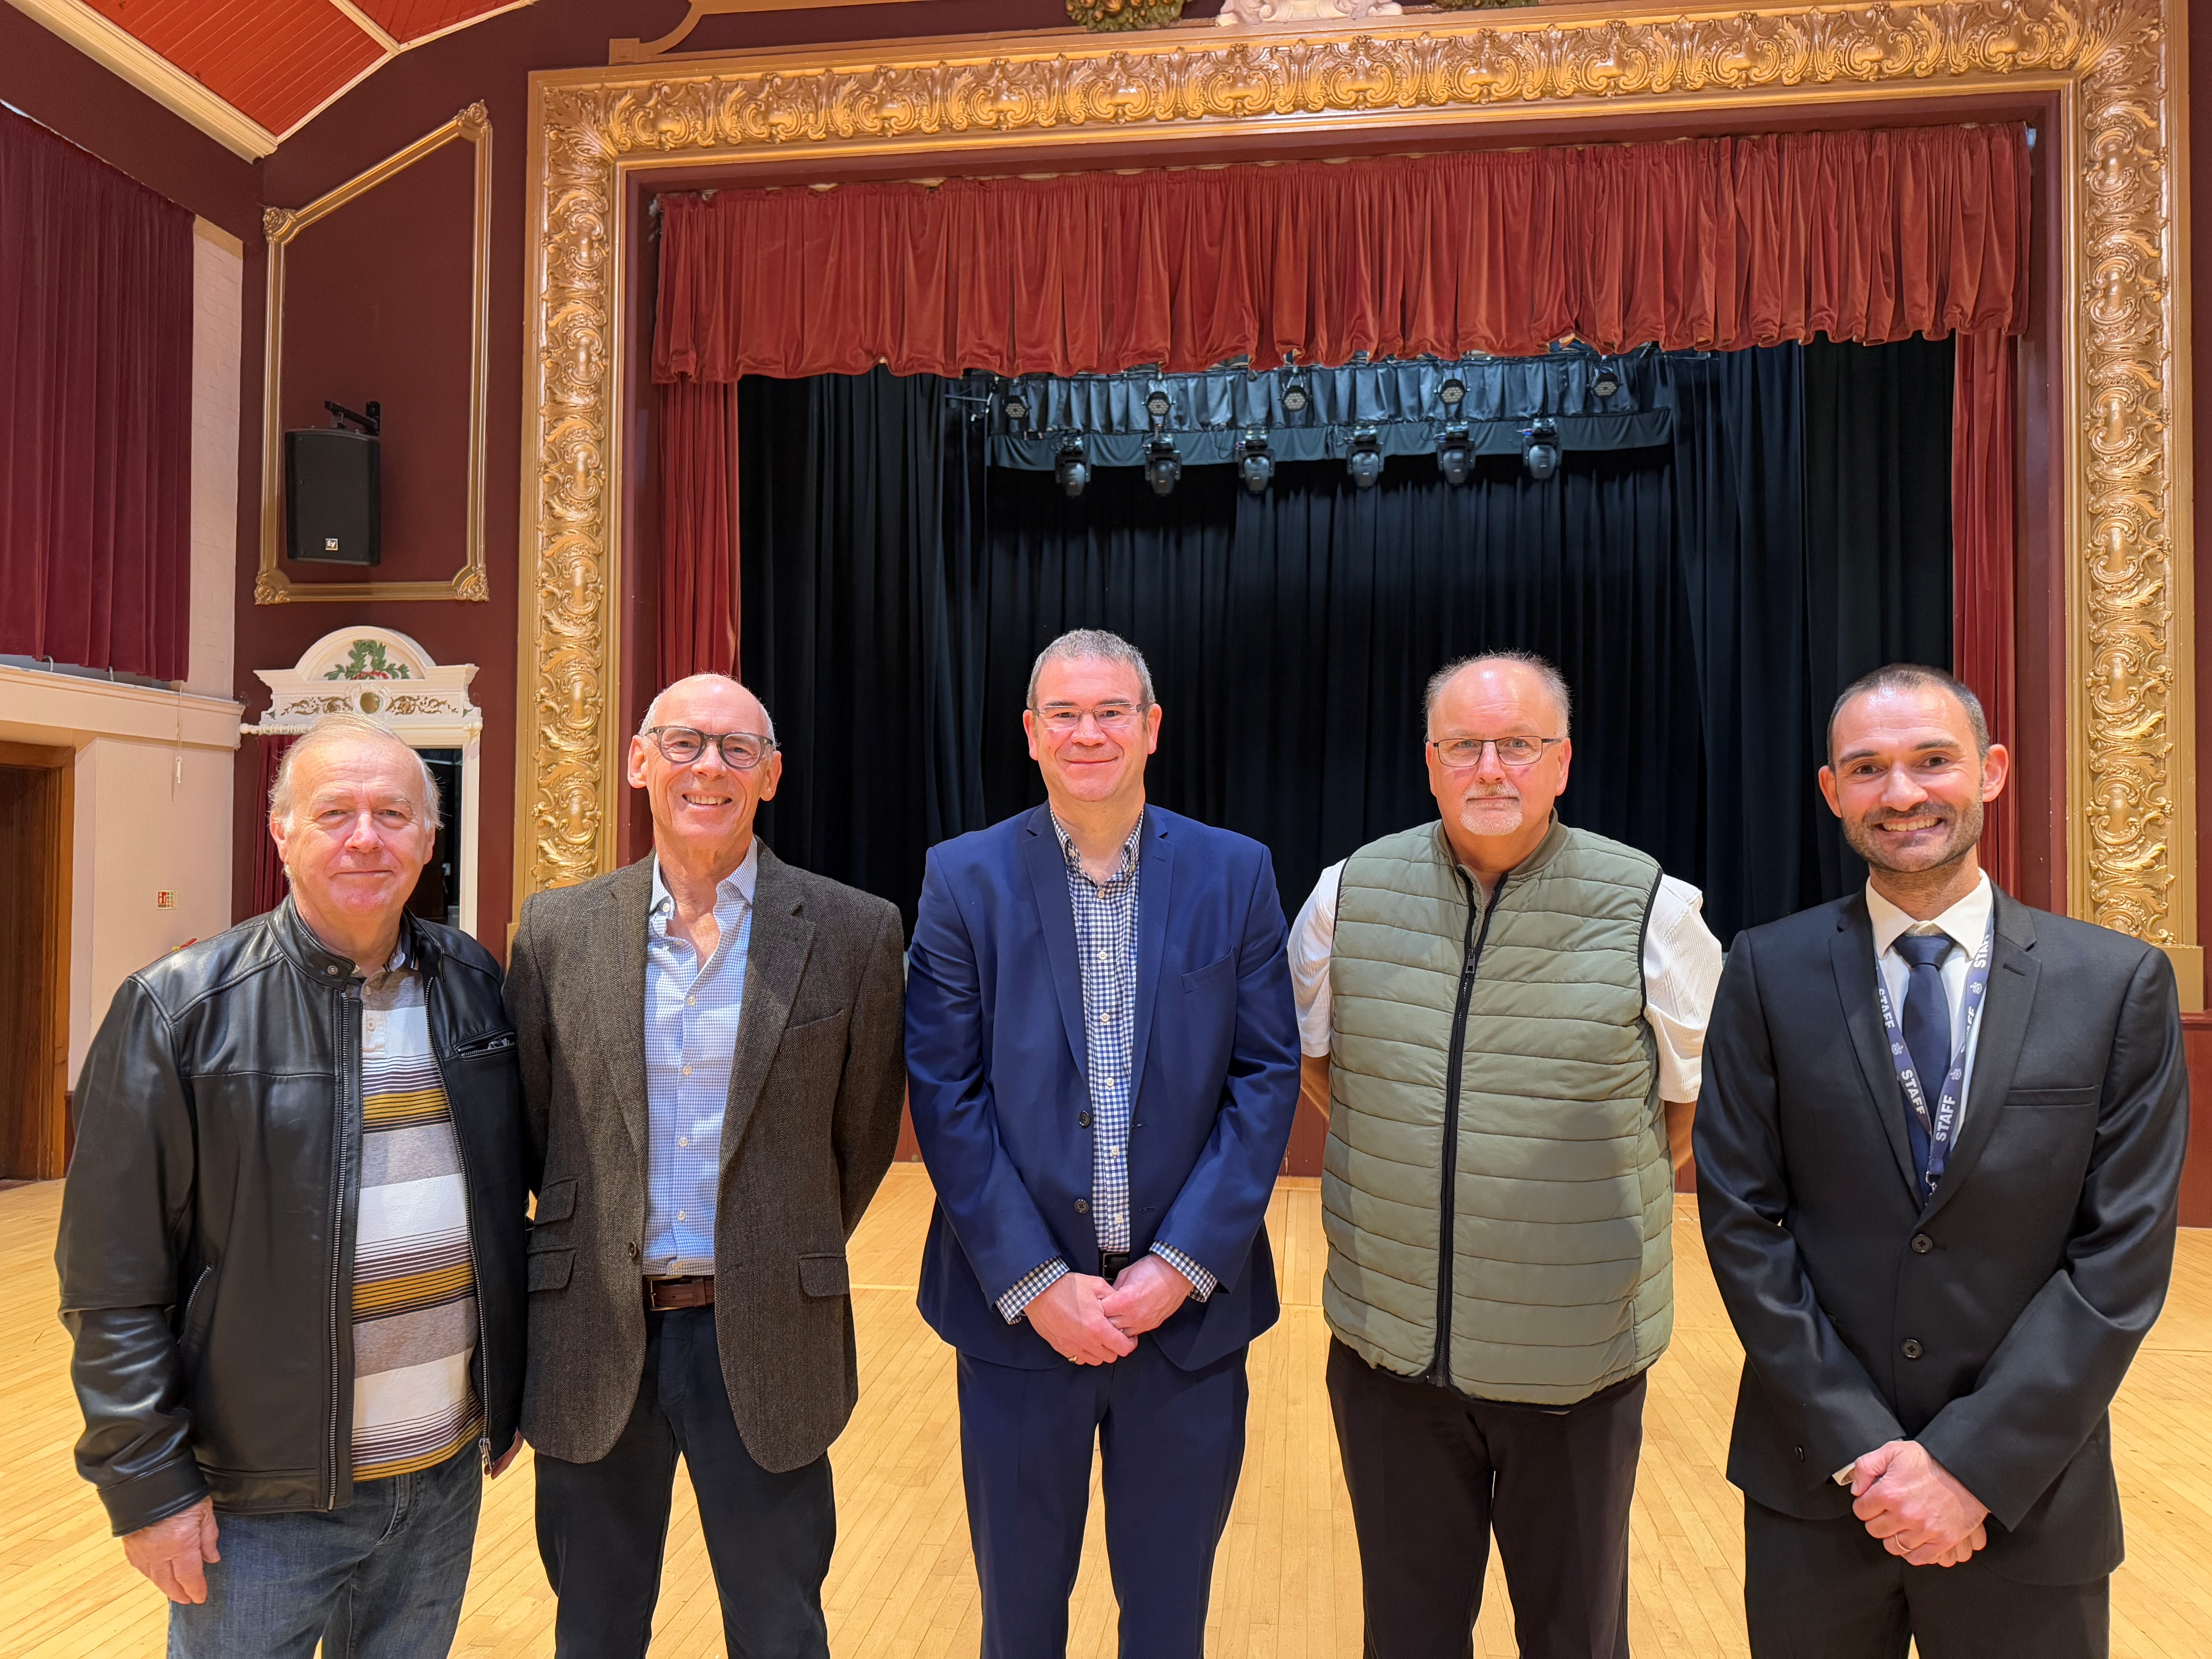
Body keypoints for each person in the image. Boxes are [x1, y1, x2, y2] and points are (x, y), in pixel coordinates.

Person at [1695, 663, 2188, 1659]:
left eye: (1932, 761)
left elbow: (2121, 1260)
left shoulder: (2116, 984)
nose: (1902, 793)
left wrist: (1969, 1467)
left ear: (1992, 771)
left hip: (2028, 1496)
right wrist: (1864, 1447)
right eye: (1867, 769)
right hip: (1819, 1486)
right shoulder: (1766, 970)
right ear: (1833, 791)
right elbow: (1743, 1222)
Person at [56, 711, 528, 1658]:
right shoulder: (179, 1010)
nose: (366, 838)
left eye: (393, 814)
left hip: (440, 1475)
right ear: (282, 832)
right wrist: (149, 1485)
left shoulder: (474, 984)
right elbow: (111, 1282)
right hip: (258, 1500)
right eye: (335, 812)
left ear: (428, 837)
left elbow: (506, 1208)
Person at [1288, 651, 1723, 1659]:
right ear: (1430, 762)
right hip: (1391, 1355)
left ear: (1561, 760)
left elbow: (1691, 1106)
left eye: (1518, 744)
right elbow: (1321, 1066)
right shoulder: (1347, 893)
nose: (1491, 768)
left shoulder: (1653, 907)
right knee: (1408, 1635)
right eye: (1465, 746)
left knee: (1575, 1636)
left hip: (1577, 1365)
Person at [905, 628, 1301, 1659]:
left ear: (1152, 727)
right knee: (1019, 1623)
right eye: (1066, 714)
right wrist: (1037, 1281)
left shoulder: (1235, 872)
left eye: (1112, 711)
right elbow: (946, 1093)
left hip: (1187, 1327)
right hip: (1019, 1325)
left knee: (1169, 1625)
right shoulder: (963, 878)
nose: (1090, 733)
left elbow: (1266, 1078)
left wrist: (1181, 1265)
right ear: (1031, 732)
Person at [506, 672, 907, 1659]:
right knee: (593, 1634)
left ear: (770, 776)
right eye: (684, 743)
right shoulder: (555, 931)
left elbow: (859, 1141)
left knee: (780, 1633)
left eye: (738, 750)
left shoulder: (855, 932)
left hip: (767, 1336)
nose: (709, 768)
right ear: (639, 762)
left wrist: (779, 1237)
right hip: (595, 1339)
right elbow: (536, 1126)